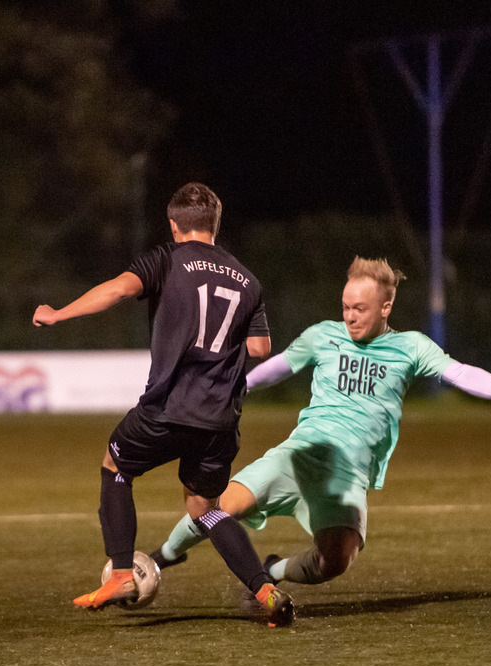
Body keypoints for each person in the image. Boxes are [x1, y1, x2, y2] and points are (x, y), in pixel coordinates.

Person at [148, 256, 491, 587]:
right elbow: (281, 366)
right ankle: (158, 560)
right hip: (298, 456)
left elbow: (459, 372)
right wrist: (240, 386)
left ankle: (273, 570)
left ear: (385, 308)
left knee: (335, 561)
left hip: (347, 476)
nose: (350, 317)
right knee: (219, 508)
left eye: (360, 309)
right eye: (346, 307)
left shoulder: (410, 346)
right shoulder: (324, 335)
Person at [32, 181, 294, 626]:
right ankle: (265, 591)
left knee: (116, 466)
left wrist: (58, 313)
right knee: (205, 509)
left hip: (169, 408)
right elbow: (260, 347)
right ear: (215, 225)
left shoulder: (167, 260)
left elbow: (118, 289)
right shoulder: (248, 280)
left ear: (174, 225)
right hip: (220, 418)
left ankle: (120, 573)